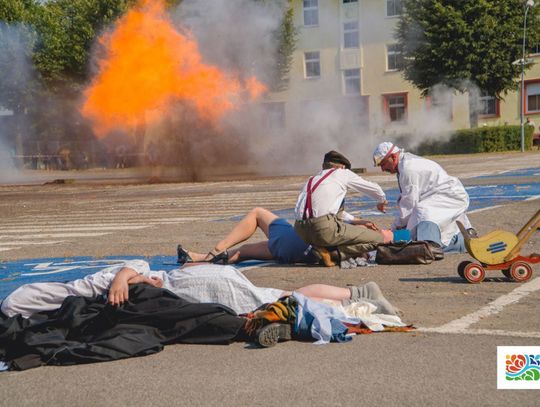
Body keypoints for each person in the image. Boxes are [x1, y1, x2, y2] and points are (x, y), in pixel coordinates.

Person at [1, 260, 398, 319]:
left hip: (199, 286)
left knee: (280, 299)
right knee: (278, 292)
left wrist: (124, 279)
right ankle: (358, 292)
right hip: (200, 280)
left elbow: (135, 267)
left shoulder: (86, 287)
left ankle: (357, 298)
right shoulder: (80, 295)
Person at [293, 150, 393, 266]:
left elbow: (327, 208)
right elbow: (375, 190)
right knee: (378, 239)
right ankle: (334, 254)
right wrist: (381, 201)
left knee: (333, 226)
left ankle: (322, 247)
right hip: (323, 229)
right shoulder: (342, 173)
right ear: (342, 166)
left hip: (301, 231)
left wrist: (357, 221)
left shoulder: (312, 179)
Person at [372, 141, 472, 253]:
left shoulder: (407, 169)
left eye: (383, 164)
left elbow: (409, 206)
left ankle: (429, 248)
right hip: (441, 196)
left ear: (393, 156)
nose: (382, 169)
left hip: (450, 196)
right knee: (437, 228)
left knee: (422, 213)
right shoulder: (404, 164)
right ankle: (463, 241)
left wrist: (394, 231)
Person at [178, 207, 318, 265]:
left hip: (298, 242)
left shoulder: (325, 183)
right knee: (243, 251)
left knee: (257, 213)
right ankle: (199, 259)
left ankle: (219, 248)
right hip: (307, 254)